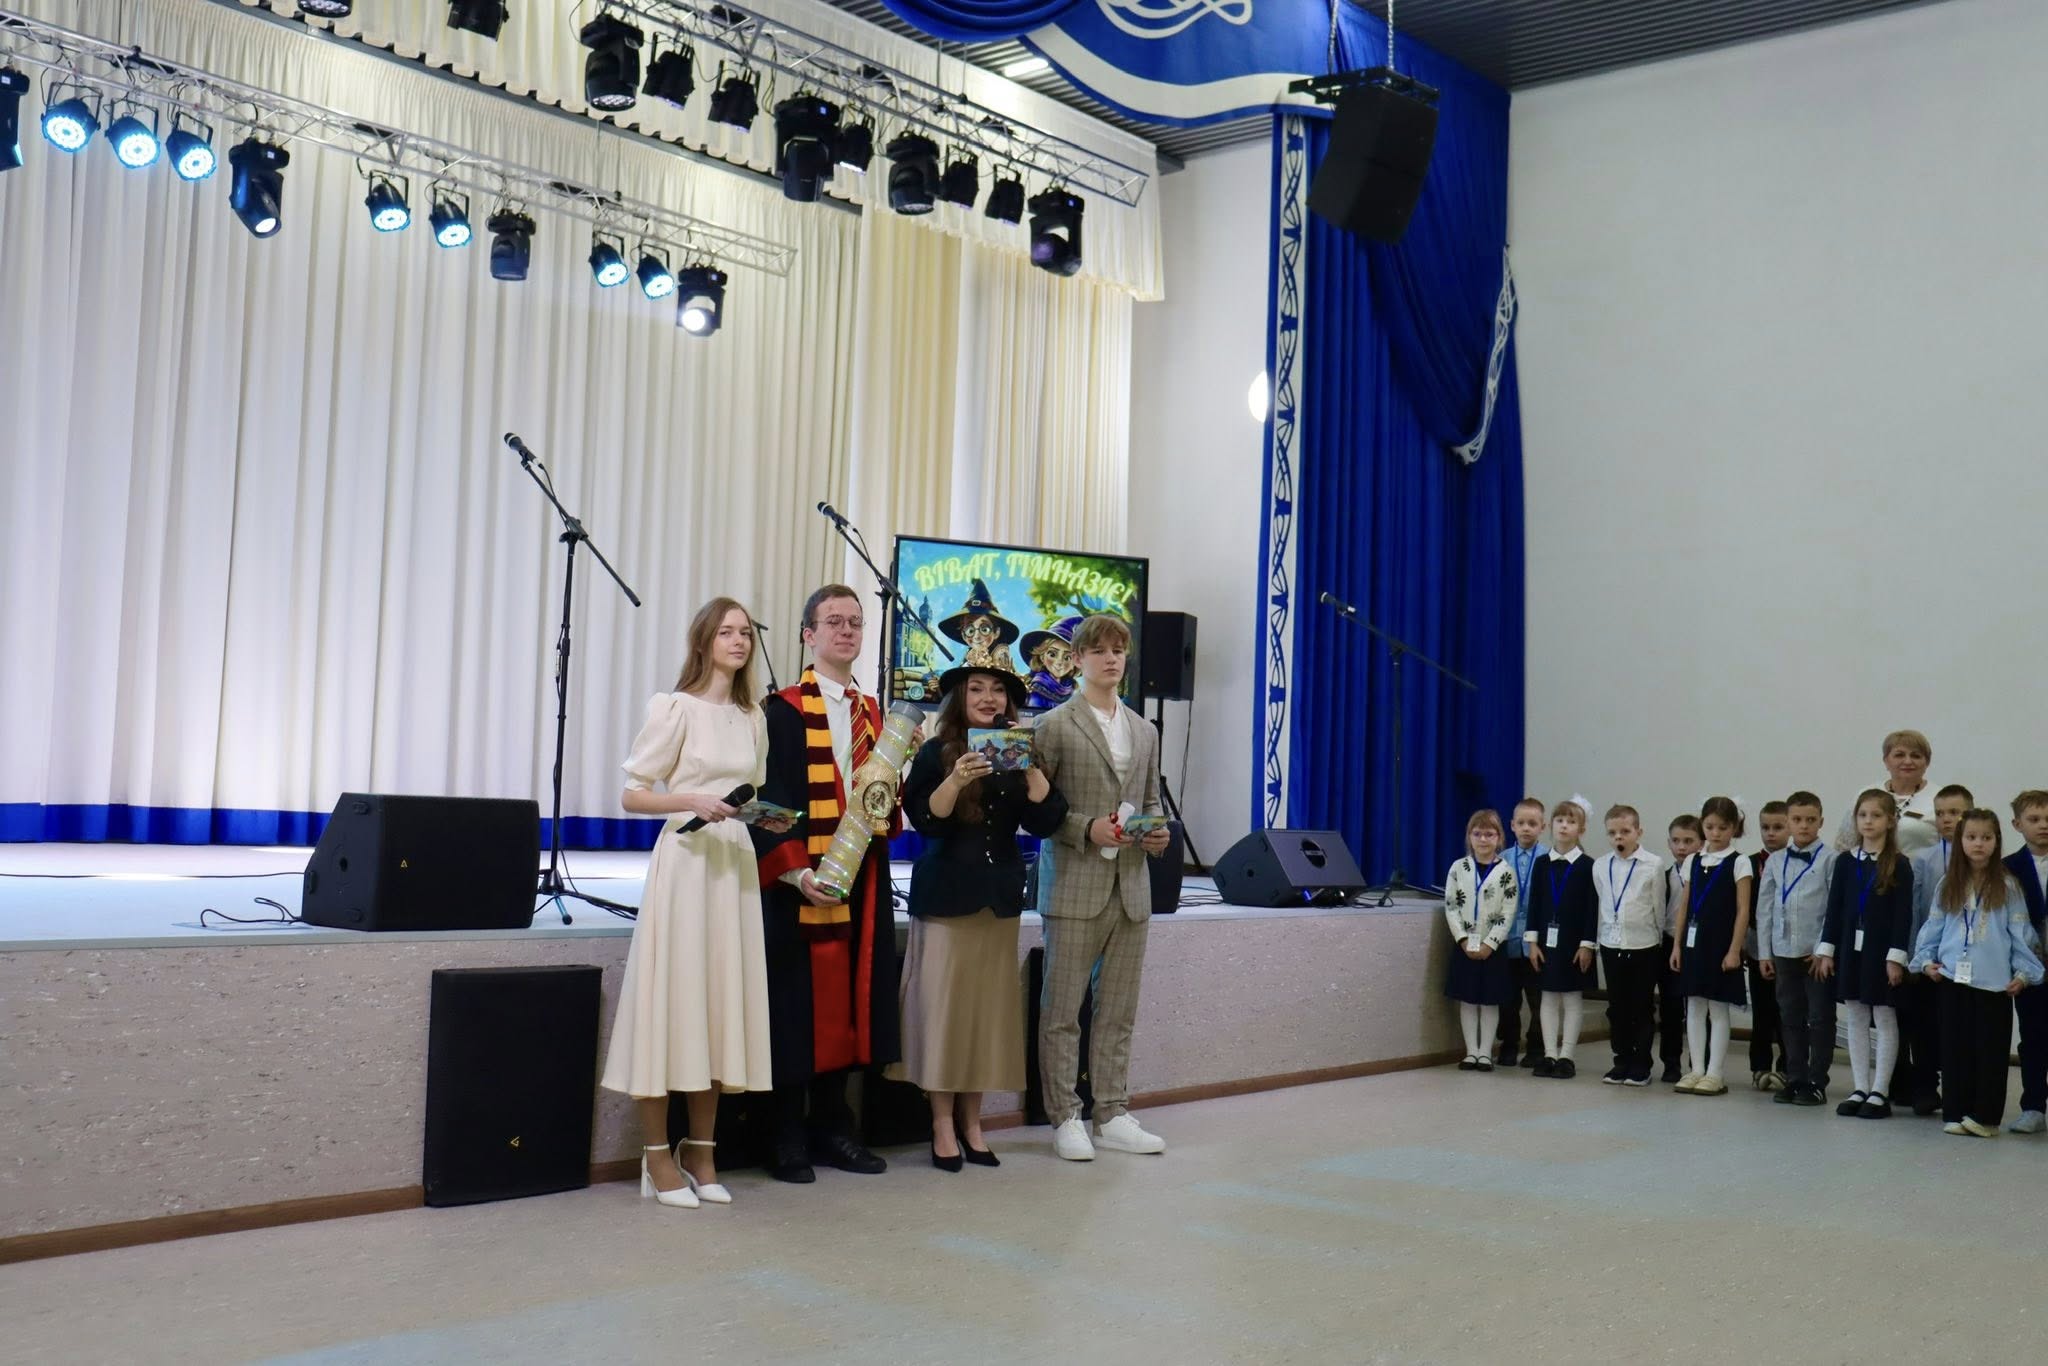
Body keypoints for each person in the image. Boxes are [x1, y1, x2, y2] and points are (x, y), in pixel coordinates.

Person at [602, 597, 786, 1210]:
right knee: (672, 1005)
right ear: (704, 641)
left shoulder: (753, 715)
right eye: (727, 632)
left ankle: (702, 1153)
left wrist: (768, 818)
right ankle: (657, 1156)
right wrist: (692, 800)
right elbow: (633, 795)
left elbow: (748, 795)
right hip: (685, 861)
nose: (739, 641)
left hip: (733, 863)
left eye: (745, 633)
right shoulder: (674, 707)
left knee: (717, 1007)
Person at [751, 585, 904, 1183]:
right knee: (797, 1005)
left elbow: (881, 803)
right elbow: (770, 799)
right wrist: (795, 871)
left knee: (850, 1004)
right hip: (801, 881)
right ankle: (786, 1135)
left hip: (860, 877)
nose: (846, 631)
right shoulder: (783, 710)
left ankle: (836, 1129)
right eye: (833, 621)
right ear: (808, 635)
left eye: (855, 622)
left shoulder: (877, 716)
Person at [896, 664, 1067, 1170]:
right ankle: (941, 1124)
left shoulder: (1018, 753)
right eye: (976, 689)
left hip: (999, 899)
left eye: (997, 691)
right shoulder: (936, 751)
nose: (988, 697)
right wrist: (955, 779)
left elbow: (1047, 820)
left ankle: (973, 1124)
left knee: (985, 1017)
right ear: (959, 698)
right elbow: (926, 819)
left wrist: (1031, 770)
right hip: (947, 898)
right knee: (944, 1014)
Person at [1033, 613, 1172, 1161]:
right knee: (1062, 1012)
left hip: (1131, 887)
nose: (1111, 658)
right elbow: (1038, 811)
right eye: (1099, 650)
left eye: (1119, 650)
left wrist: (1158, 833)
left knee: (1118, 1012)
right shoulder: (1053, 725)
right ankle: (1065, 1116)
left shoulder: (1144, 730)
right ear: (1077, 659)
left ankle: (1111, 1112)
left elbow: (1152, 800)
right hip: (1074, 883)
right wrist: (1084, 828)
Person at [1912, 808, 2043, 1136]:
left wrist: (2024, 973)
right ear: (1960, 841)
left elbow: (2020, 934)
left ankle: (1986, 1118)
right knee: (1954, 1047)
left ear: (1997, 841)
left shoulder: (2008, 886)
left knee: (1990, 1051)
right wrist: (1926, 960)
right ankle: (1955, 1112)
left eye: (1986, 837)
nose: (1978, 844)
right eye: (1971, 837)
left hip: (1995, 982)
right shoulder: (1948, 883)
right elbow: (1934, 926)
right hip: (1953, 978)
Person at [1815, 788, 1915, 1118]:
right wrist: (1827, 951)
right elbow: (1834, 909)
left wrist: (1895, 957)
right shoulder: (1845, 862)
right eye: (1862, 815)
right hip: (1850, 950)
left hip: (1881, 953)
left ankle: (1880, 1091)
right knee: (1856, 1015)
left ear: (1890, 821)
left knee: (1884, 1016)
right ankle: (1860, 1086)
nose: (1868, 821)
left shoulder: (1899, 864)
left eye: (1876, 815)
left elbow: (1903, 915)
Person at [1900, 784, 1974, 1116]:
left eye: (1955, 813)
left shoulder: (1982, 858)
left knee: (1962, 1028)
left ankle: (1963, 1089)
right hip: (1930, 959)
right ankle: (1925, 1087)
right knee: (1925, 1025)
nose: (1947, 819)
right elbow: (1915, 911)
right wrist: (1915, 958)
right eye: (1941, 813)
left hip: (1969, 961)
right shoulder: (1924, 860)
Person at [1758, 792, 1836, 1107]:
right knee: (1789, 1017)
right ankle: (1795, 1078)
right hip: (1783, 951)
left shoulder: (1831, 859)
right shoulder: (1775, 861)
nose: (1803, 826)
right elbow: (1765, 908)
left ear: (1821, 821)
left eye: (1810, 820)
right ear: (1788, 822)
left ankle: (1817, 1081)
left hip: (1815, 955)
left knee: (1819, 1018)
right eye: (1797, 820)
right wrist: (1765, 952)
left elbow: (1834, 908)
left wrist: (1823, 949)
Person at [1670, 797, 1751, 1096]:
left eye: (1722, 827)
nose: (1715, 833)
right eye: (1710, 827)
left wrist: (1734, 949)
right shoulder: (1693, 860)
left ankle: (1715, 1072)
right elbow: (1684, 905)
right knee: (1693, 1005)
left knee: (1717, 1007)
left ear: (1734, 828)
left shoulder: (1739, 862)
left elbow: (1743, 909)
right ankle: (1696, 1069)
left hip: (1721, 944)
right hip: (1694, 943)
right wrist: (1677, 945)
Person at [1524, 796, 1598, 1079]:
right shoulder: (1542, 863)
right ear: (1551, 825)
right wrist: (1532, 942)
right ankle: (1549, 1054)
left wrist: (1587, 944)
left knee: (1572, 998)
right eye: (1560, 820)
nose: (1564, 826)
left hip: (1574, 943)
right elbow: (1534, 903)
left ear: (1582, 829)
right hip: (1546, 942)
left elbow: (1592, 908)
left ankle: (1567, 1055)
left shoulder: (1588, 866)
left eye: (1571, 822)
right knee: (1548, 997)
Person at [1442, 809, 1519, 1072]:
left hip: (1492, 947)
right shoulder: (1458, 868)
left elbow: (1508, 911)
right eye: (1477, 834)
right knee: (1468, 999)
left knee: (1489, 1000)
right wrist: (1462, 939)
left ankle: (1485, 1052)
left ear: (1499, 838)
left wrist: (1490, 943)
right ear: (1469, 837)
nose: (1483, 839)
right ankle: (1471, 1052)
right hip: (1465, 945)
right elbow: (1451, 906)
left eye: (1489, 834)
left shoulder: (1506, 871)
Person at [1594, 805, 1665, 1087]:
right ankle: (1621, 1060)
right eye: (1612, 833)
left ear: (1638, 832)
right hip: (1611, 944)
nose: (1618, 837)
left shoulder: (1653, 864)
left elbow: (1658, 906)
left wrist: (1657, 940)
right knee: (1617, 1007)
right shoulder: (1601, 866)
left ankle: (1641, 1064)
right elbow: (1602, 900)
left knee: (1641, 1007)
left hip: (1644, 944)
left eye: (1625, 831)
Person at [2003, 789, 2048, 1133]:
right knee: (2033, 1036)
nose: (2043, 825)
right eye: (2034, 819)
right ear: (2018, 824)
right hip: (2029, 967)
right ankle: (2033, 1106)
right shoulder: (2008, 868)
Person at [1494, 798, 1548, 1067]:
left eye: (1533, 823)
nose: (1527, 828)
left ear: (1542, 827)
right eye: (1522, 823)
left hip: (1537, 943)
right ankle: (1509, 1044)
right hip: (1507, 940)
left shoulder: (1549, 859)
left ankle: (1536, 1047)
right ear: (1512, 825)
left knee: (1538, 999)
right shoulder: (1502, 860)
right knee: (1508, 998)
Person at [1833, 729, 1940, 856]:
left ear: (1927, 762)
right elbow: (1844, 845)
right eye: (1899, 755)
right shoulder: (1867, 794)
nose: (1908, 761)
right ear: (1886, 761)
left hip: (1921, 869)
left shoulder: (1940, 798)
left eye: (1915, 756)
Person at [1744, 801, 1789, 1090]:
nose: (1770, 833)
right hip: (1757, 946)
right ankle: (1759, 1066)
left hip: (1789, 947)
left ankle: (1788, 1066)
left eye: (1778, 827)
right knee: (1761, 1011)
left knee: (1788, 1011)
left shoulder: (1796, 861)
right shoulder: (1748, 863)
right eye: (1765, 827)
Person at [1656, 814, 1703, 1082]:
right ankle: (1671, 1063)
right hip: (1669, 944)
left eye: (1688, 841)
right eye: (1676, 841)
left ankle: (1700, 1063)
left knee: (1700, 1007)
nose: (1682, 847)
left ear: (1701, 842)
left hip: (1698, 945)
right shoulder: (1663, 876)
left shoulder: (1706, 874)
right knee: (1671, 1007)